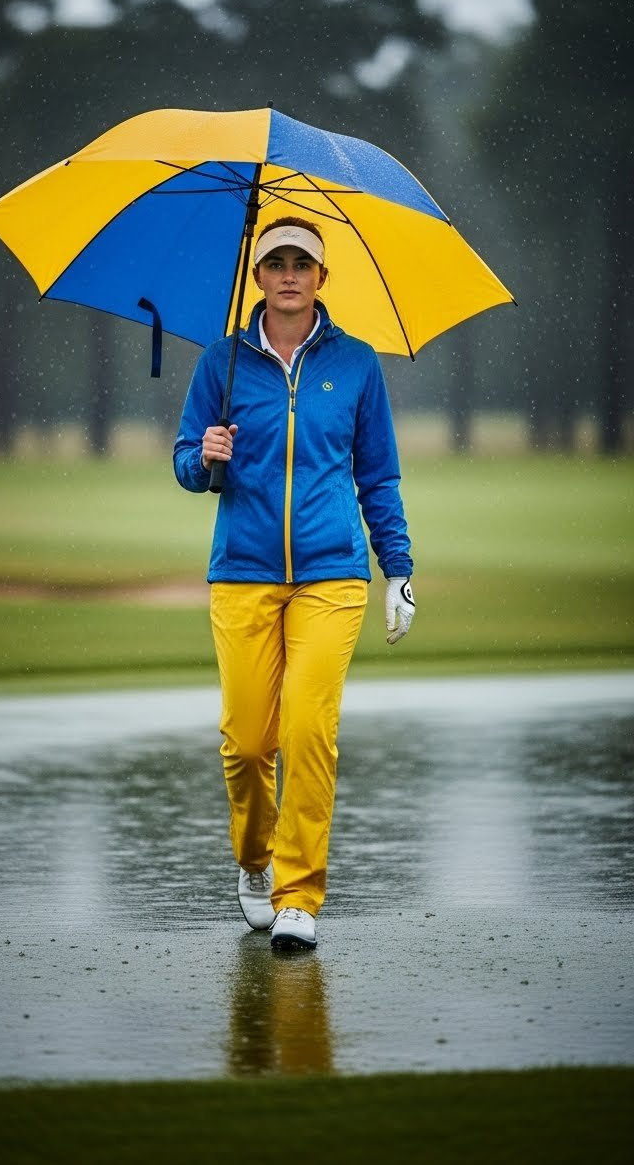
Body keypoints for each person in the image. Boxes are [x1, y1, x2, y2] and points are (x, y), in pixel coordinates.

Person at [173, 216, 415, 951]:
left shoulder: (357, 364)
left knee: (310, 731)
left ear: (320, 277)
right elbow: (188, 463)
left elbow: (377, 473)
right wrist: (205, 453)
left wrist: (397, 567)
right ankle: (255, 860)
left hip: (331, 573)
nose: (288, 274)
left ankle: (299, 893)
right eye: (274, 261)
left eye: (301, 263)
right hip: (242, 572)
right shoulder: (221, 363)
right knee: (248, 743)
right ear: (257, 277)